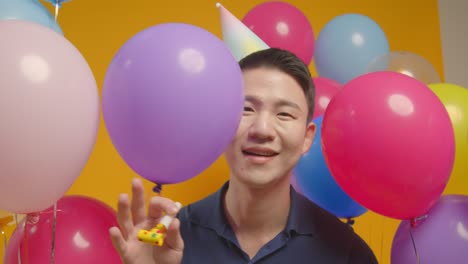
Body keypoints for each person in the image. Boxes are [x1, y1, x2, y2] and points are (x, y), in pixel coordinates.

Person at [109, 48, 378, 264]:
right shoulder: (168, 240)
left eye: (284, 114)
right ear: (221, 121)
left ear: (307, 138)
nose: (261, 130)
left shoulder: (347, 254)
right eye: (246, 109)